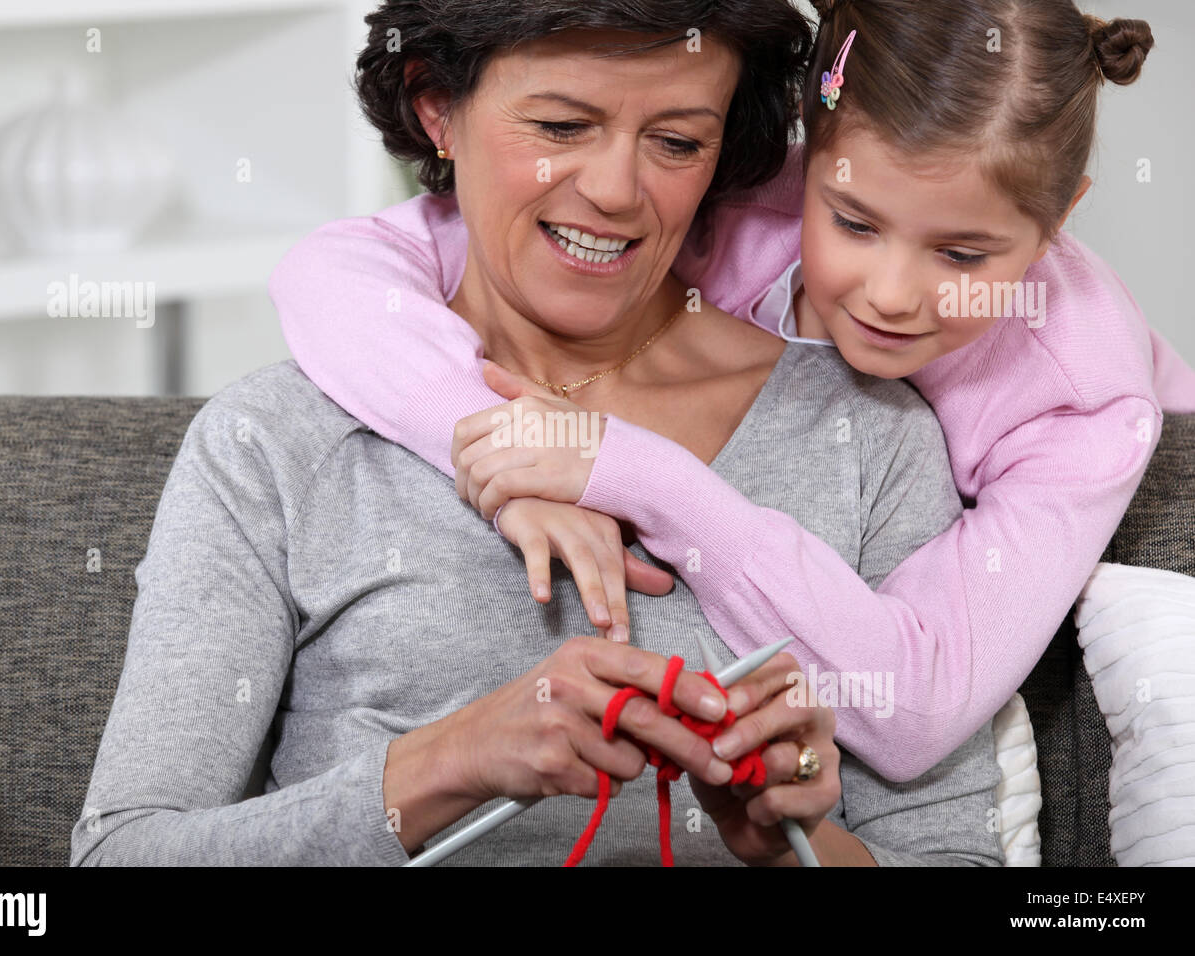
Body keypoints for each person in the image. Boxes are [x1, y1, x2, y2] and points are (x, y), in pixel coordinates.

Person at [72, 0, 1002, 866]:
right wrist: (451, 762)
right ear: (437, 107)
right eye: (560, 128)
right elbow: (121, 852)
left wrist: (788, 846)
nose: (614, 190)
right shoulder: (277, 442)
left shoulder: (863, 433)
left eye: (677, 142)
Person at [271, 0, 1195, 782]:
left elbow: (913, 707)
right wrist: (501, 441)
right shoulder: (733, 193)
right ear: (810, 151)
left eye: (961, 255)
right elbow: (335, 269)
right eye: (854, 223)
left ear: (1061, 218)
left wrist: (624, 470)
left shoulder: (1085, 408)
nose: (891, 293)